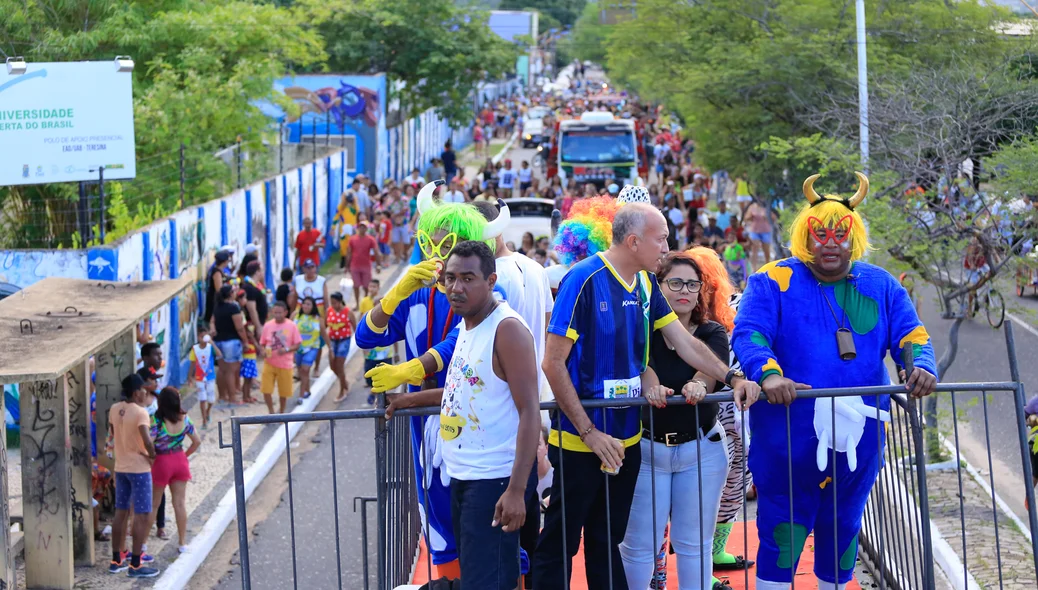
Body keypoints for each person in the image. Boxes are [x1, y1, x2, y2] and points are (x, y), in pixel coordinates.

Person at [533, 202, 760, 590]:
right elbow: (552, 363)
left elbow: (684, 342)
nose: (667, 246)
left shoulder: (644, 285)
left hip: (628, 442)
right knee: (561, 543)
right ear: (634, 241)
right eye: (661, 238)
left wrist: (731, 376)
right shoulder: (582, 279)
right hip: (579, 442)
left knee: (608, 542)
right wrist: (590, 432)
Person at [732, 172, 938, 589]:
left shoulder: (881, 285)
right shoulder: (772, 280)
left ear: (854, 238)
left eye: (840, 235)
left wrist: (921, 367)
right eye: (820, 234)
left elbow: (912, 336)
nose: (830, 243)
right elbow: (749, 332)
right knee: (781, 526)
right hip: (787, 437)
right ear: (805, 237)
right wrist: (769, 375)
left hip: (859, 438)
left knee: (845, 523)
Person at [356, 182, 509, 578]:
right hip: (424, 421)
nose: (438, 254)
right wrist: (394, 294)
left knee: (485, 523)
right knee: (436, 518)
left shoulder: (487, 292)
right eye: (432, 243)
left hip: (476, 420)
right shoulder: (415, 293)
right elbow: (366, 337)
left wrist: (411, 369)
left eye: (448, 244)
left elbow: (461, 340)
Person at [384, 242, 540, 589]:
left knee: (488, 581)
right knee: (481, 576)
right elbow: (463, 391)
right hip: (464, 475)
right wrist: (409, 400)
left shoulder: (507, 330)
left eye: (468, 278)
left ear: (491, 281)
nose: (456, 288)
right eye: (450, 279)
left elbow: (530, 410)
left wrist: (515, 490)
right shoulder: (468, 326)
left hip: (494, 480)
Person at [620, 248, 745, 590]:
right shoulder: (641, 328)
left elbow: (711, 370)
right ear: (657, 286)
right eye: (675, 283)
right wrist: (651, 384)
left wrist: (698, 384)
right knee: (639, 546)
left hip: (701, 449)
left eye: (692, 284)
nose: (685, 291)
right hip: (646, 450)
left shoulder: (712, 331)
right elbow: (638, 363)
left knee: (694, 545)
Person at [108, 374, 160, 578]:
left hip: (121, 467)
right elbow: (147, 440)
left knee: (120, 513)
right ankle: (136, 564)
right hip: (139, 469)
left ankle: (116, 559)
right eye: (143, 389)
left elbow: (112, 431)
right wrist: (152, 455)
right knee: (142, 514)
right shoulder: (141, 412)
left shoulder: (114, 409)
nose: (146, 392)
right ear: (136, 391)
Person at [147, 387, 201, 554]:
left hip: (162, 462)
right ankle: (182, 542)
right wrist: (184, 455)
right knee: (179, 504)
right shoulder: (185, 419)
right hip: (180, 460)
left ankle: (143, 544)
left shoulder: (157, 421)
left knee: (154, 504)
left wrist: (150, 458)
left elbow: (149, 442)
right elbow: (197, 442)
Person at [359, 279, 397, 406]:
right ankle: (374, 393)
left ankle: (379, 398)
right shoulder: (365, 303)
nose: (372, 288)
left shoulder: (387, 311)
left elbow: (395, 333)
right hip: (371, 353)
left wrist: (396, 352)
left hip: (385, 353)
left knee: (384, 378)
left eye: (374, 286)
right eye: (370, 286)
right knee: (370, 376)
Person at [259, 301, 302, 414]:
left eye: (279, 313)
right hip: (269, 362)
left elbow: (297, 344)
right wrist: (263, 351)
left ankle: (282, 413)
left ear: (285, 312)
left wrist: (287, 349)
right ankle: (271, 413)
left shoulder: (291, 326)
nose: (277, 315)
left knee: (284, 392)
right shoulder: (268, 325)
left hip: (285, 364)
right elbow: (262, 343)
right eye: (275, 312)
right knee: (266, 390)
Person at [210, 285, 249, 404]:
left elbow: (212, 321)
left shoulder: (217, 307)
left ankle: (222, 396)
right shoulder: (233, 307)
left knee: (222, 370)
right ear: (230, 294)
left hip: (218, 341)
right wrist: (246, 341)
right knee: (231, 371)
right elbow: (240, 328)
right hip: (231, 342)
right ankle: (232, 397)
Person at [189, 325, 221, 429]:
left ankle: (208, 411)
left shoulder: (210, 347)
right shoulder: (195, 349)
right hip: (199, 378)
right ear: (198, 337)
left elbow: (219, 354)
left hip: (210, 377)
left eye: (205, 336)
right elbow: (192, 363)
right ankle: (204, 420)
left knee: (211, 399)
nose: (203, 338)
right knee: (202, 398)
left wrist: (212, 343)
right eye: (201, 336)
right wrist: (190, 376)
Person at [294, 297, 325, 403]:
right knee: (301, 372)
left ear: (313, 307)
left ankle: (301, 396)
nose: (306, 306)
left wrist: (330, 348)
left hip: (312, 348)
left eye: (308, 304)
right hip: (298, 349)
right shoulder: (296, 316)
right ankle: (307, 390)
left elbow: (324, 334)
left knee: (305, 370)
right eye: (304, 304)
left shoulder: (318, 319)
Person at [326, 292, 356, 403]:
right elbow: (325, 325)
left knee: (339, 365)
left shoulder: (348, 312)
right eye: (331, 303)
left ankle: (342, 390)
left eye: (334, 303)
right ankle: (344, 382)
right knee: (332, 365)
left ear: (339, 301)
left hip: (344, 340)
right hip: (333, 340)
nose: (333, 305)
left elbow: (355, 327)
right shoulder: (329, 311)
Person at [345, 222, 380, 308]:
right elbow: (349, 253)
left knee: (366, 286)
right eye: (360, 227)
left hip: (366, 266)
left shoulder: (370, 239)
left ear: (366, 229)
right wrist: (346, 266)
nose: (362, 229)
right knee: (356, 286)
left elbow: (376, 252)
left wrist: (378, 265)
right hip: (355, 266)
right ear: (358, 228)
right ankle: (357, 303)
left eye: (364, 227)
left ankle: (365, 302)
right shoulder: (352, 239)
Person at [743, 197, 774, 265]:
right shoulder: (752, 207)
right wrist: (751, 217)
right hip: (755, 230)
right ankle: (754, 268)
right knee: (754, 249)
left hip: (765, 230)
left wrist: (766, 216)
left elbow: (774, 217)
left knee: (766, 250)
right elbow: (746, 218)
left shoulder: (767, 207)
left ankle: (767, 265)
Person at [204, 250, 232, 323]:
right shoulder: (217, 272)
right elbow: (219, 289)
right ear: (224, 261)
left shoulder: (219, 270)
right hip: (215, 301)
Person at [334, 193, 359, 269]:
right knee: (343, 245)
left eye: (350, 201)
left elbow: (357, 211)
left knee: (352, 244)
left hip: (352, 229)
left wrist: (354, 201)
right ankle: (343, 260)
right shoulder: (341, 208)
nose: (348, 203)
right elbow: (336, 217)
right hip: (343, 230)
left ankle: (352, 261)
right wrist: (333, 227)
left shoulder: (354, 208)